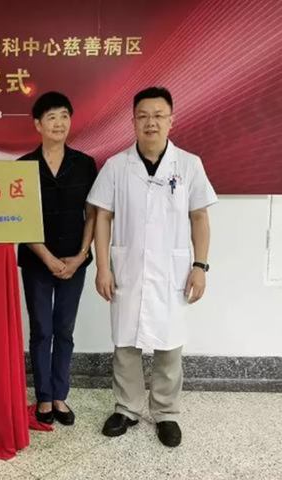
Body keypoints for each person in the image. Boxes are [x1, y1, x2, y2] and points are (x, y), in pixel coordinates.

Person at [88, 86, 217, 447]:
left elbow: (199, 218)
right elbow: (102, 217)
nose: (151, 122)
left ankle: (166, 412)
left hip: (173, 270)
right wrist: (103, 267)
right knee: (125, 343)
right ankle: (127, 408)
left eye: (158, 115)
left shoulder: (188, 164)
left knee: (169, 343)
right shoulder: (116, 166)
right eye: (143, 116)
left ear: (171, 120)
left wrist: (200, 266)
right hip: (127, 268)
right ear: (133, 121)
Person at [17, 91, 97, 425]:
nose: (59, 123)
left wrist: (81, 255)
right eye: (51, 117)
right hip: (37, 261)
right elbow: (20, 219)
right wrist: (48, 257)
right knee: (41, 330)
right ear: (38, 124)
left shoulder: (85, 164)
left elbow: (92, 214)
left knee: (64, 329)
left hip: (75, 261)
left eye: (64, 115)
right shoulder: (23, 167)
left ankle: (60, 395)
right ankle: (44, 397)